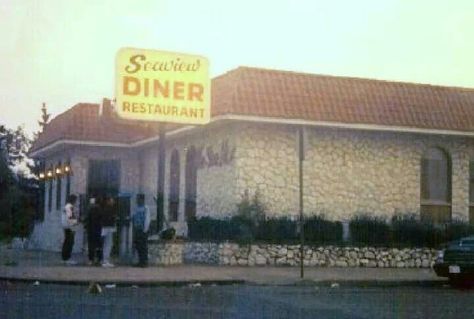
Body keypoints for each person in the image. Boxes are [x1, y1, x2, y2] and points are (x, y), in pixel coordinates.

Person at [132, 194, 151, 267]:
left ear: (142, 200)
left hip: (143, 230)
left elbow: (147, 219)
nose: (137, 200)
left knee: (143, 247)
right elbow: (134, 218)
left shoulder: (146, 208)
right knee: (138, 246)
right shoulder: (136, 208)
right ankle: (140, 261)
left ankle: (144, 262)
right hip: (137, 229)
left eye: (138, 199)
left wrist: (145, 230)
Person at [100, 196, 117, 267]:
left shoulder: (105, 208)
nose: (113, 202)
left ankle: (105, 260)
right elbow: (111, 218)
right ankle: (105, 261)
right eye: (112, 200)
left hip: (105, 228)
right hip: (108, 228)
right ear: (108, 201)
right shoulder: (109, 209)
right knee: (108, 244)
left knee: (106, 244)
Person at [61, 194, 78, 265]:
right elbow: (71, 218)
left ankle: (65, 258)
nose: (76, 202)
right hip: (69, 227)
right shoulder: (69, 207)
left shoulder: (67, 206)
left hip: (66, 226)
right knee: (69, 242)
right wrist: (75, 223)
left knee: (67, 242)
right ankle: (66, 258)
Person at [86, 196, 102, 266]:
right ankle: (98, 259)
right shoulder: (100, 210)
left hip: (90, 230)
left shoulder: (90, 210)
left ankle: (91, 259)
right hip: (98, 230)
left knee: (91, 246)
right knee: (98, 245)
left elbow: (88, 220)